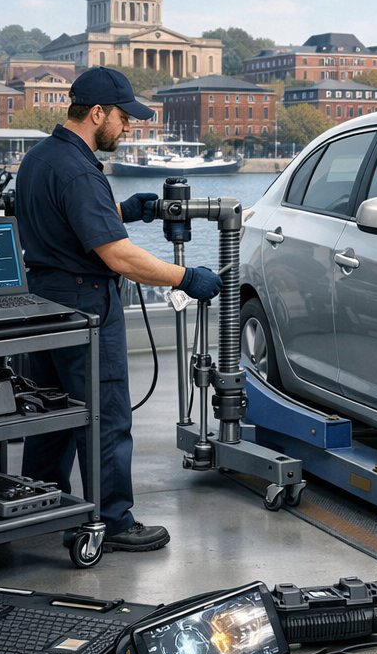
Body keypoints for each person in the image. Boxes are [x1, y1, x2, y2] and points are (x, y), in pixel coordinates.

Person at [15, 66, 223, 553]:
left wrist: (126, 209)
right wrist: (187, 278)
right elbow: (118, 255)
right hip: (85, 305)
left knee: (52, 411)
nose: (128, 127)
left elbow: (64, 222)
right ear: (96, 113)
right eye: (123, 118)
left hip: (42, 301)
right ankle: (111, 520)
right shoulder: (79, 170)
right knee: (106, 416)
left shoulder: (40, 159)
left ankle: (41, 503)